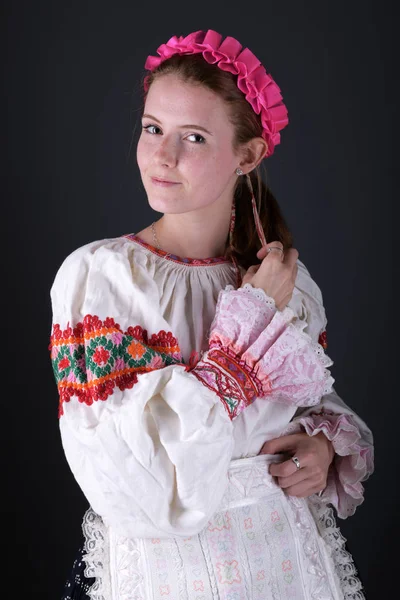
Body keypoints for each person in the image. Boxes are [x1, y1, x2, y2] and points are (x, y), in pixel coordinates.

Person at [49, 29, 374, 600]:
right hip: (158, 576)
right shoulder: (101, 279)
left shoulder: (290, 288)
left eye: (193, 137)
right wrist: (244, 334)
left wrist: (321, 449)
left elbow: (309, 405)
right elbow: (129, 479)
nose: (162, 156)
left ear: (247, 154)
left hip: (286, 571)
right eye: (152, 129)